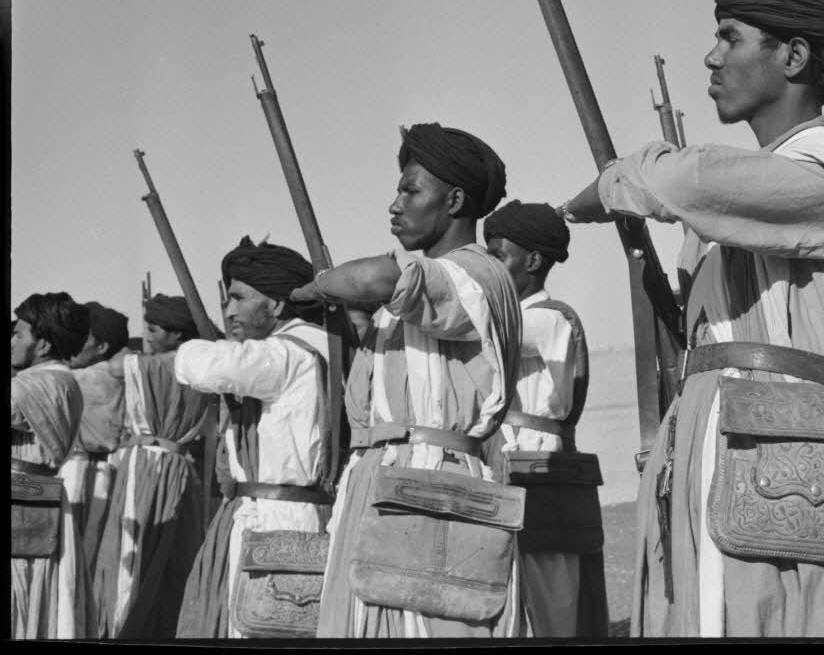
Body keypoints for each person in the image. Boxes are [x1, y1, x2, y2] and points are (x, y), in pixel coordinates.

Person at [560, 0, 824, 638]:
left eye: (730, 36)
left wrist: (599, 193)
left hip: (795, 471)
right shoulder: (750, 203)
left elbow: (678, 179)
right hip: (728, 453)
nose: (711, 57)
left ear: (792, 56)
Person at [292, 122, 523, 639]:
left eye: (410, 190)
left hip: (432, 486)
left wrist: (317, 286)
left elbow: (376, 278)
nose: (394, 205)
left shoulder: (476, 275)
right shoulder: (413, 298)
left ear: (455, 199)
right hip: (380, 483)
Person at [174, 240, 331, 638]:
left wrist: (200, 346)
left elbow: (205, 367)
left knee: (260, 627)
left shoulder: (286, 352)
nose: (228, 311)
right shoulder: (320, 343)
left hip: (277, 517)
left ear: (277, 305)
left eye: (239, 298)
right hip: (292, 513)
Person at [484, 200, 609, 638]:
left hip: (540, 476)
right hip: (511, 472)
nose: (490, 269)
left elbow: (484, 330)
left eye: (497, 257)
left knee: (551, 608)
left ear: (533, 261)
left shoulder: (549, 318)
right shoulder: (521, 318)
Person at [92, 293, 214, 639]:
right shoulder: (202, 362)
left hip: (147, 465)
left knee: (133, 558)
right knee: (173, 558)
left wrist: (136, 355)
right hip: (180, 468)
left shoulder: (158, 364)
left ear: (177, 335)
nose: (148, 336)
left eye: (155, 328)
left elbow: (117, 366)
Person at [11, 291, 92, 639]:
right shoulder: (55, 379)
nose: (11, 340)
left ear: (42, 345)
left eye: (18, 334)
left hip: (23, 499)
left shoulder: (43, 382)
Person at [62, 302, 130, 580]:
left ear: (102, 347)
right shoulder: (105, 373)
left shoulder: (91, 377)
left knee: (77, 566)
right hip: (94, 474)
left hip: (87, 477)